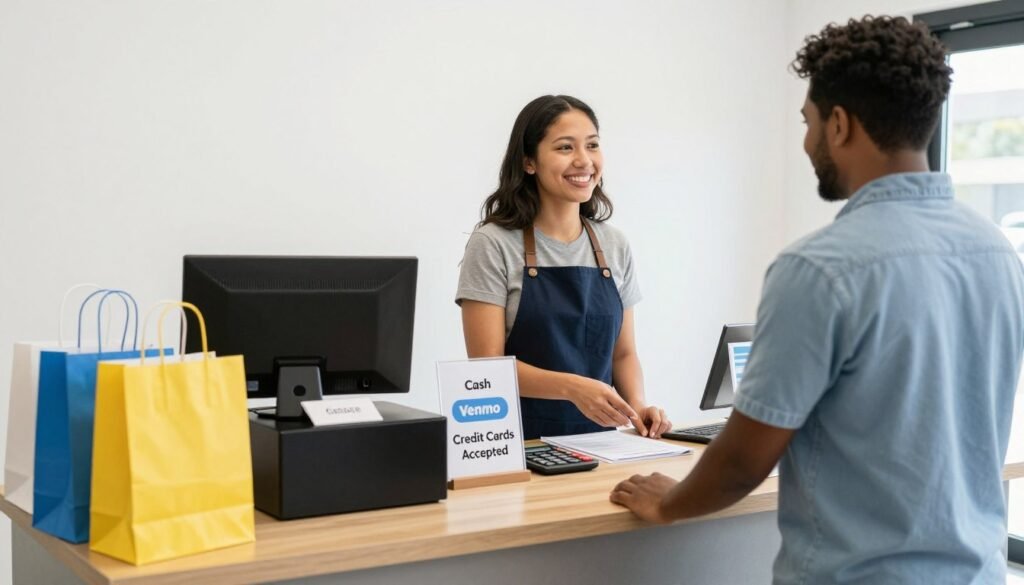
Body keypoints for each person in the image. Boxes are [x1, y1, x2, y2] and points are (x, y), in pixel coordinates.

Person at [610, 15, 1024, 584]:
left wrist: (669, 501)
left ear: (839, 125)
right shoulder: (996, 252)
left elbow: (742, 461)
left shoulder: (818, 269)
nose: (805, 142)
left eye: (807, 122)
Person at [456, 95, 671, 440]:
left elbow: (624, 353)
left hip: (602, 445)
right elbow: (486, 368)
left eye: (592, 145)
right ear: (529, 162)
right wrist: (572, 388)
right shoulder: (493, 243)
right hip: (517, 443)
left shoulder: (614, 245)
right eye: (565, 148)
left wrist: (638, 406)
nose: (584, 161)